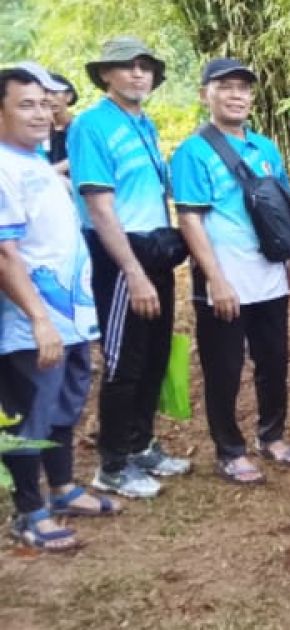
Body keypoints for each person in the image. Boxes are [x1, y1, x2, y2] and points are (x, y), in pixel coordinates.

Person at [0, 62, 120, 553]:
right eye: (25, 105)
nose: (41, 114)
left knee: (64, 408)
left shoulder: (34, 161)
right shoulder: (4, 168)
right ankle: (29, 512)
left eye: (44, 104)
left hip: (71, 318)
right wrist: (39, 319)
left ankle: (64, 487)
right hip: (32, 326)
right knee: (29, 417)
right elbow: (5, 254)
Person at [170, 58, 290, 484]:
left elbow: (280, 204)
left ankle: (272, 434)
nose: (236, 95)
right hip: (224, 279)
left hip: (267, 273)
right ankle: (229, 449)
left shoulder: (265, 147)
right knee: (224, 367)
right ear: (205, 93)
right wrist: (215, 279)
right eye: (225, 86)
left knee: (274, 359)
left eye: (243, 88)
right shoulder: (193, 152)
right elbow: (190, 218)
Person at [70, 36, 192, 499]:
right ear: (106, 74)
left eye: (145, 66)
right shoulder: (92, 126)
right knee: (125, 359)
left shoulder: (143, 123)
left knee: (155, 354)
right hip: (121, 256)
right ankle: (113, 464)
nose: (138, 73)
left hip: (154, 250)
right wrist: (133, 272)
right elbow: (100, 208)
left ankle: (141, 445)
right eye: (126, 66)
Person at [46, 72, 76, 177]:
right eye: (45, 93)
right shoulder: (40, 130)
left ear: (68, 96)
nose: (49, 98)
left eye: (54, 93)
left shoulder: (80, 127)